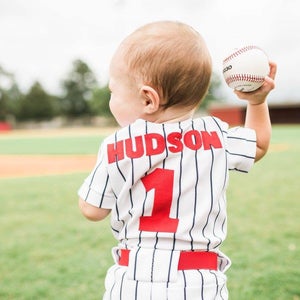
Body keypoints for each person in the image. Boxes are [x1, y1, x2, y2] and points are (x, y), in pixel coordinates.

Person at [78, 20, 276, 299]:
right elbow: (259, 145)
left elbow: (92, 210)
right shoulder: (215, 134)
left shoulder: (117, 145)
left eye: (113, 91)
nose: (112, 99)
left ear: (148, 100)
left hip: (132, 280)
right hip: (198, 283)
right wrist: (256, 102)